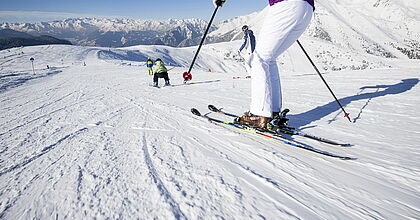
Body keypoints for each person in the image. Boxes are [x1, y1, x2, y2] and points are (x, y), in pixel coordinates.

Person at [213, 0, 314, 129]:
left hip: (286, 5)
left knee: (259, 59)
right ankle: (273, 111)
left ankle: (259, 114)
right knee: (269, 58)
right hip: (307, 9)